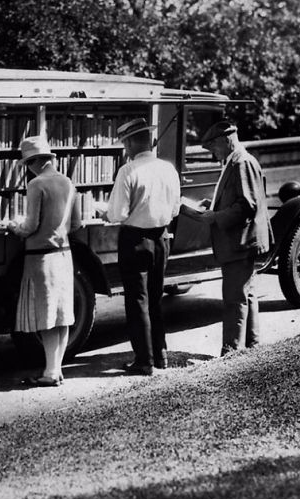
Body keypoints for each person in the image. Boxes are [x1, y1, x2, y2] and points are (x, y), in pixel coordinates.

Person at [103, 118, 180, 376]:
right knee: (156, 298)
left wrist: (105, 212)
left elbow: (118, 214)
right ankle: (161, 354)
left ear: (131, 142)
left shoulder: (128, 171)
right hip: (161, 238)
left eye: (125, 143)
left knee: (138, 301)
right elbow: (175, 208)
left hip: (135, 239)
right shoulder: (168, 169)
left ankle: (143, 360)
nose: (125, 148)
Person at [190, 121, 271, 356]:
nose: (213, 153)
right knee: (247, 293)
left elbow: (247, 205)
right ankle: (252, 346)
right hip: (242, 241)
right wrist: (214, 205)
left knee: (234, 298)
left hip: (240, 241)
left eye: (214, 147)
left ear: (226, 140)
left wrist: (215, 216)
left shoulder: (241, 162)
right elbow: (240, 199)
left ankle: (232, 351)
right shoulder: (236, 160)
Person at [6, 135, 81, 387]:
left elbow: (30, 226)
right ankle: (56, 369)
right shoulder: (68, 182)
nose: (27, 169)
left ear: (35, 162)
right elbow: (77, 224)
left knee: (47, 315)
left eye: (27, 164)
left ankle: (50, 373)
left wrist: (13, 225)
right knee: (62, 314)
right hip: (64, 254)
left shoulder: (37, 185)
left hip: (41, 258)